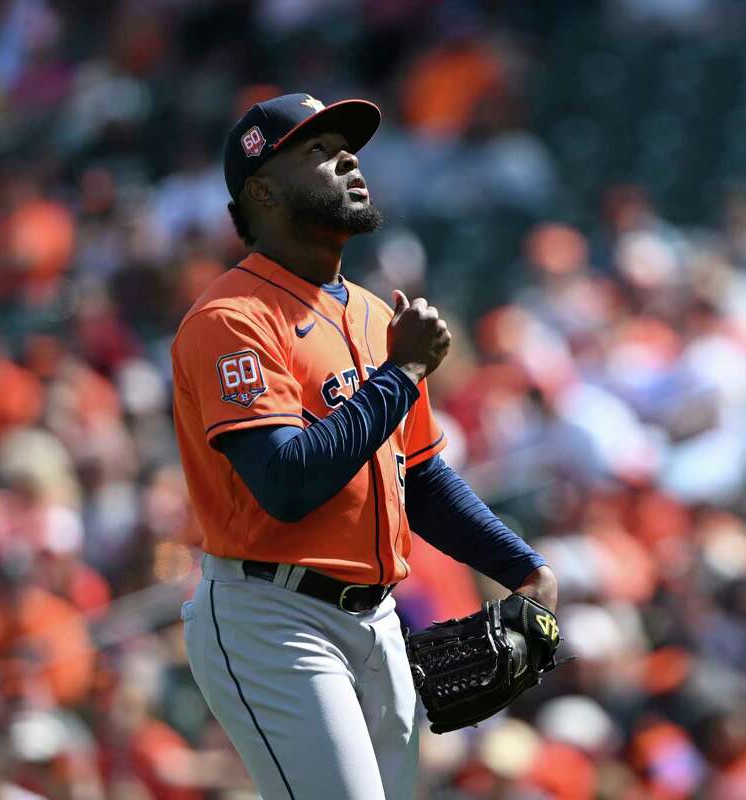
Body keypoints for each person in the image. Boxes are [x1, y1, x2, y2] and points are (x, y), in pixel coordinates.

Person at [170, 93, 558, 800]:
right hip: (275, 620)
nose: (347, 158)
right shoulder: (231, 319)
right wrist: (402, 371)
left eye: (346, 147)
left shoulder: (377, 314)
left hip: (378, 619)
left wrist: (522, 567)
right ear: (261, 191)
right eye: (316, 152)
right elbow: (285, 484)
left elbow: (422, 477)